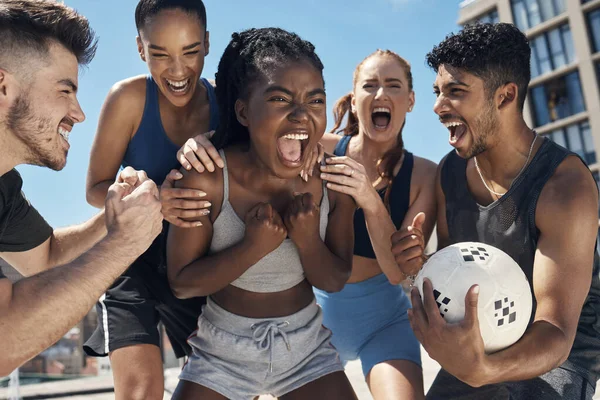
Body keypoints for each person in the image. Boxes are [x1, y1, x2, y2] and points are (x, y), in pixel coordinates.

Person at [392, 23, 600, 399]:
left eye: (455, 92)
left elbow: (556, 329)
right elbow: (463, 269)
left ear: (505, 96)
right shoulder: (450, 172)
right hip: (488, 333)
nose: (438, 107)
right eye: (438, 92)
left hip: (557, 352)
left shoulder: (563, 187)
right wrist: (419, 265)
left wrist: (483, 370)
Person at [166, 27, 358, 400]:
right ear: (243, 112)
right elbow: (183, 282)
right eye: (280, 99)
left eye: (315, 101)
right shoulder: (207, 178)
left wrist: (306, 240)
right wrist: (252, 248)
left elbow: (334, 279)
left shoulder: (332, 179)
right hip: (222, 352)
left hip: (306, 349)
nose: (302, 115)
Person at [0, 0, 162, 375]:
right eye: (64, 91)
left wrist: (114, 219)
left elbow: (47, 257)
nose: (79, 112)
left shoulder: (4, 186)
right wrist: (124, 244)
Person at [82, 1, 217, 398]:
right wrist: (155, 199)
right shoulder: (126, 100)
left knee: (223, 386)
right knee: (141, 390)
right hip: (132, 262)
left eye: (190, 52)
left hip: (196, 265)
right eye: (160, 54)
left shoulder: (229, 107)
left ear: (207, 44)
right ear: (141, 49)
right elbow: (95, 190)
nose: (177, 71)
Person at [312, 50, 436, 400]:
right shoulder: (318, 150)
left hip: (384, 322)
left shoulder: (424, 175)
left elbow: (399, 273)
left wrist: (369, 198)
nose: (381, 94)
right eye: (370, 85)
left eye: (393, 85)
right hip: (311, 320)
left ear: (409, 101)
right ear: (354, 101)